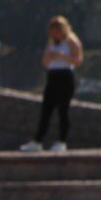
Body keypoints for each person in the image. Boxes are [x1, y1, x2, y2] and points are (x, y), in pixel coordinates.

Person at [21, 16, 83, 152]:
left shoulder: (71, 40)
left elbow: (78, 60)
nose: (55, 34)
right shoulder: (51, 42)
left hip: (65, 76)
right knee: (46, 110)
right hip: (52, 76)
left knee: (63, 110)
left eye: (57, 31)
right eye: (53, 31)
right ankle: (37, 141)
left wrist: (62, 56)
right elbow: (44, 62)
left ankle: (62, 141)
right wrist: (50, 57)